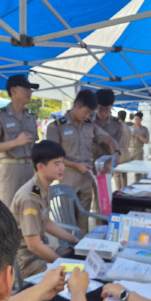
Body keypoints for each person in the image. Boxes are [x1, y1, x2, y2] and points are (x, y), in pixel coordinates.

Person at [46, 89, 119, 236]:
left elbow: (109, 140)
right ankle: (67, 251)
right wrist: (75, 165)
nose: (87, 116)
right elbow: (51, 157)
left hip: (86, 180)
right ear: (76, 105)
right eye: (85, 112)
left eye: (90, 113)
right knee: (67, 221)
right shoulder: (56, 126)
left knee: (83, 221)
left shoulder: (89, 125)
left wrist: (115, 152)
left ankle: (81, 251)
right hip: (67, 179)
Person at [10, 140, 80, 278]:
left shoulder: (43, 188)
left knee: (77, 254)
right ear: (41, 167)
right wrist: (62, 264)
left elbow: (47, 223)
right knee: (73, 274)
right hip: (29, 261)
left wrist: (73, 239)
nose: (62, 168)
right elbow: (33, 245)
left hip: (40, 251)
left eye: (62, 162)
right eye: (57, 164)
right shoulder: (30, 197)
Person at [0, 74, 39, 206]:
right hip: (10, 169)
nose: (30, 92)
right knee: (10, 211)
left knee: (30, 211)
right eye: (26, 88)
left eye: (30, 89)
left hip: (30, 169)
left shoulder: (31, 117)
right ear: (13, 91)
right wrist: (15, 142)